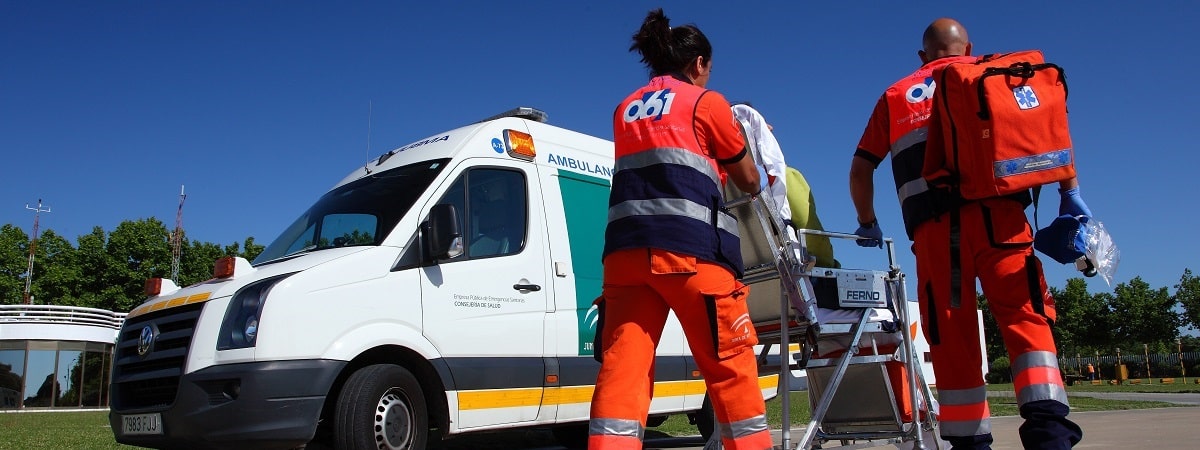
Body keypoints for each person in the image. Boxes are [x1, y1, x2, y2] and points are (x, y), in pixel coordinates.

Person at [849, 18, 1087, 449]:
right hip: (1004, 224)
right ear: (968, 47)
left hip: (939, 235)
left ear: (923, 56)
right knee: (1027, 320)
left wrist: (867, 221)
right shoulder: (998, 76)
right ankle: (1051, 435)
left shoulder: (897, 95)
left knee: (952, 336)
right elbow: (1050, 130)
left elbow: (862, 166)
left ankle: (970, 443)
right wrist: (1069, 193)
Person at [588, 8, 771, 450]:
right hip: (691, 255)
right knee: (729, 366)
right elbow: (749, 180)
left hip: (625, 259)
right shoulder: (707, 103)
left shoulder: (625, 110)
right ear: (699, 64)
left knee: (622, 372)